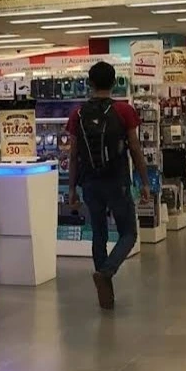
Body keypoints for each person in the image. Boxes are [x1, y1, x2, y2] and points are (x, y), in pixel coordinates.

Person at [67, 61, 152, 310]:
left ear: (89, 83)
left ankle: (105, 291)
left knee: (99, 234)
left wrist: (71, 189)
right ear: (114, 82)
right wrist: (144, 181)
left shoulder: (77, 114)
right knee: (129, 233)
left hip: (90, 183)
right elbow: (135, 148)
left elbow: (73, 155)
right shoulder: (124, 111)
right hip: (117, 181)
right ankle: (106, 273)